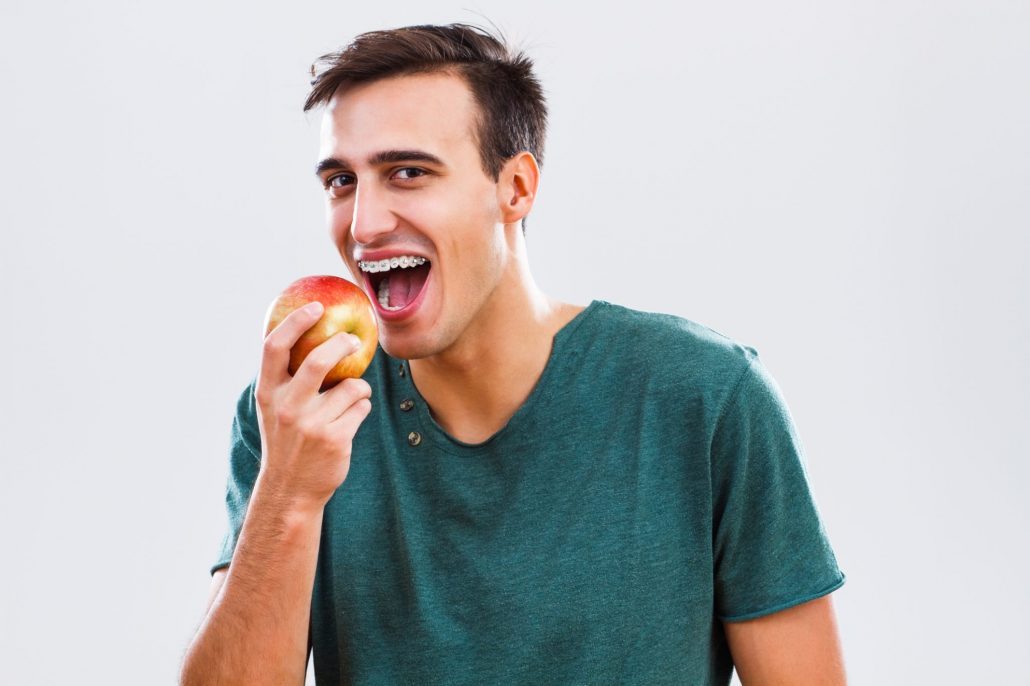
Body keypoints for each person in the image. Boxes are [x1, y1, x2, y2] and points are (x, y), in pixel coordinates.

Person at [180, 23, 847, 685]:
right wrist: (288, 497)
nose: (364, 225)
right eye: (341, 181)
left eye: (407, 173)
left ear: (516, 189)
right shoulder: (297, 414)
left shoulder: (707, 399)